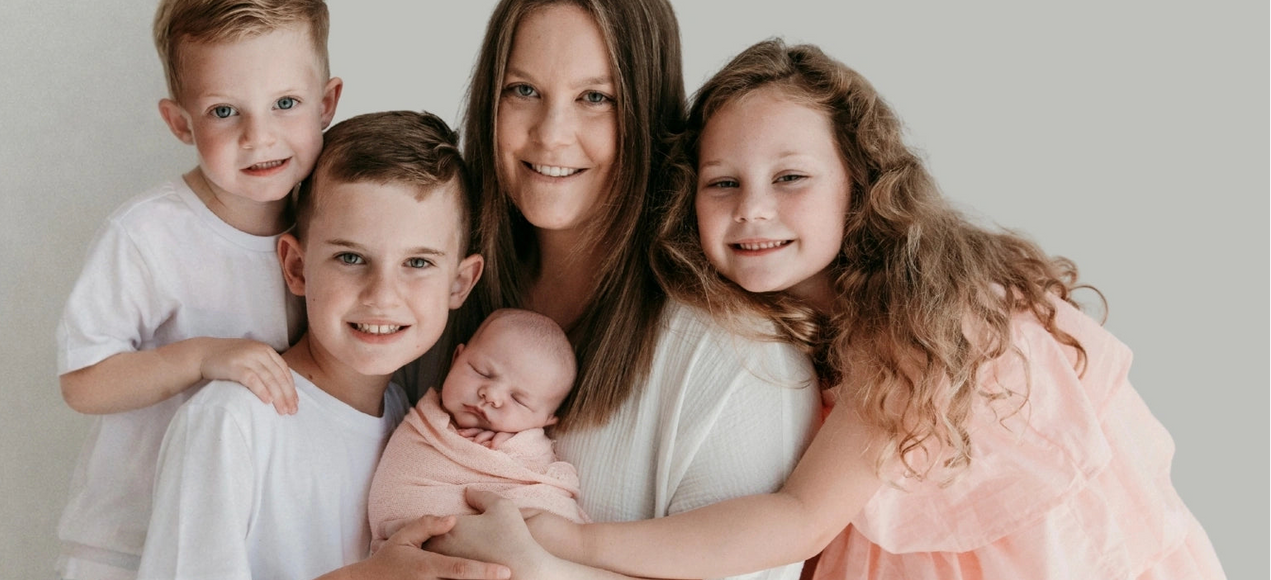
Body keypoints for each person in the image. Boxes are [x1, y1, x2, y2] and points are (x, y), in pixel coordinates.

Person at [523, 38, 1228, 579]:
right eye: (723, 183)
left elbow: (798, 519)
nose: (752, 209)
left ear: (857, 183)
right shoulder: (760, 328)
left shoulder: (918, 321)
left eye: (790, 177)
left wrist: (574, 542)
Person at [418, 0, 821, 580]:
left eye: (595, 97)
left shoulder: (736, 359)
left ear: (647, 117)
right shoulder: (430, 293)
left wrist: (538, 571)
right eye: (523, 90)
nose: (551, 133)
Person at [53, 0, 336, 580]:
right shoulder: (149, 235)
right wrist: (203, 356)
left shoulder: (329, 231)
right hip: (127, 545)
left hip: (240, 542)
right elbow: (83, 381)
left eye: (286, 103)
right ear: (180, 123)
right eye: (224, 111)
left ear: (327, 103)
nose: (259, 136)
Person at [137, 111, 508, 580]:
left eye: (417, 263)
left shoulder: (414, 423)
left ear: (459, 284)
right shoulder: (231, 422)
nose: (382, 296)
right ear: (297, 267)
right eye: (350, 257)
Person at [368, 308, 587, 550]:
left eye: (518, 400)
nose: (491, 395)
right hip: (406, 551)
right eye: (482, 372)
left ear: (545, 421)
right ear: (456, 358)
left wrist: (516, 446)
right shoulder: (423, 424)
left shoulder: (527, 449)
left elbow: (544, 495)